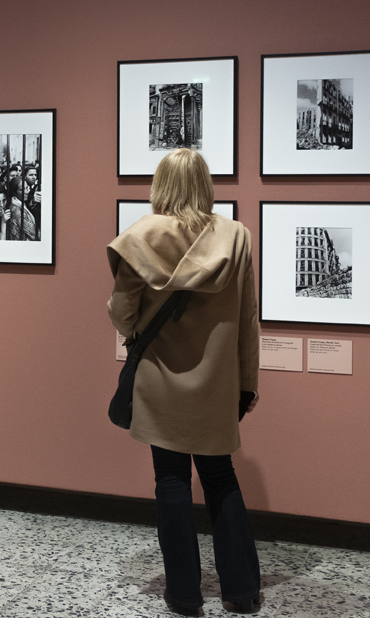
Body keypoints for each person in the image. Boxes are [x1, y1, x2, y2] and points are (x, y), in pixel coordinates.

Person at [106, 148, 262, 616]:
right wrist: (247, 382)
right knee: (220, 477)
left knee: (171, 481)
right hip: (217, 381)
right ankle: (241, 591)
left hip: (159, 377)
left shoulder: (139, 237)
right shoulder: (236, 237)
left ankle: (185, 596)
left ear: (161, 184)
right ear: (205, 183)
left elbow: (122, 312)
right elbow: (247, 316)